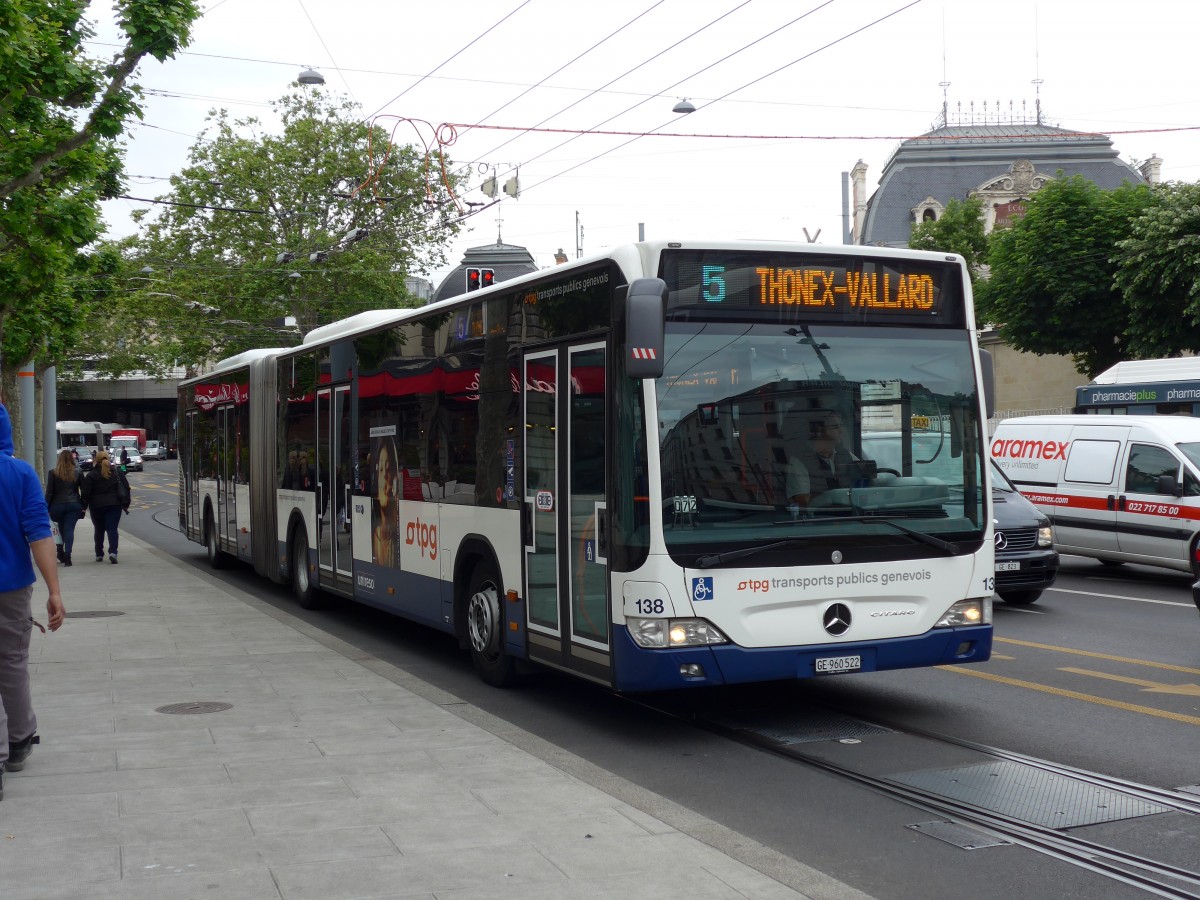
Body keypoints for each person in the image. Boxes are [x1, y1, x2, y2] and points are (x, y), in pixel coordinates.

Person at [0, 402, 66, 800]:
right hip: (11, 587)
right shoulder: (19, 473)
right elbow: (39, 533)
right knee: (11, 662)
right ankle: (21, 737)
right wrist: (54, 591)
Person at [786, 413, 861, 507]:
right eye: (835, 427)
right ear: (821, 430)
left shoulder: (846, 455)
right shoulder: (799, 461)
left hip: (848, 517)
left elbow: (866, 480)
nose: (841, 431)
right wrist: (834, 496)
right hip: (820, 519)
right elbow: (802, 500)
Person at [81, 450, 130, 564]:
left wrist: (84, 507)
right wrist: (125, 504)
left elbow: (86, 493)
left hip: (96, 506)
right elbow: (126, 488)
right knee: (112, 529)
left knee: (99, 530)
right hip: (114, 505)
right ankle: (113, 552)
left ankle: (99, 553)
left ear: (96, 460)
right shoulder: (116, 472)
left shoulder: (91, 475)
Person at [45, 448, 84, 566]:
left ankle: (60, 551)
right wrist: (83, 505)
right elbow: (84, 490)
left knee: (60, 528)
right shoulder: (78, 472)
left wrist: (46, 507)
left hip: (57, 505)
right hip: (73, 504)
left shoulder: (53, 473)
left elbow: (50, 492)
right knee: (69, 529)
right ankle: (68, 555)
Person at [372, 437, 399, 566]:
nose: (383, 478)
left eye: (388, 470)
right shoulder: (374, 533)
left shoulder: (398, 534)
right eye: (380, 470)